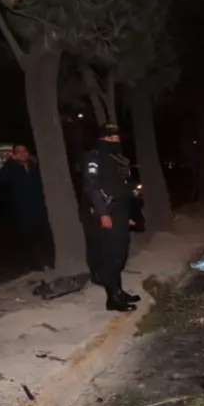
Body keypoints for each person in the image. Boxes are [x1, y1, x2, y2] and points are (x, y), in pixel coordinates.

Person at [82, 124, 141, 312]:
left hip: (121, 210)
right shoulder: (95, 157)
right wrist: (103, 213)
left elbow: (126, 187)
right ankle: (113, 299)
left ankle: (118, 291)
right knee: (111, 255)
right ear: (102, 138)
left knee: (120, 254)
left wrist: (131, 214)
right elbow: (92, 187)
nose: (115, 140)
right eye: (111, 138)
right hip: (108, 211)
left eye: (117, 137)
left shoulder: (119, 159)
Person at [0, 144, 52, 271]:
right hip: (24, 210)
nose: (23, 154)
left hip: (40, 208)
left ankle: (49, 262)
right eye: (19, 152)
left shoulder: (35, 167)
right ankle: (35, 265)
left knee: (45, 236)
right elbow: (0, 180)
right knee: (29, 238)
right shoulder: (11, 168)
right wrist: (9, 163)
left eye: (25, 151)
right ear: (14, 155)